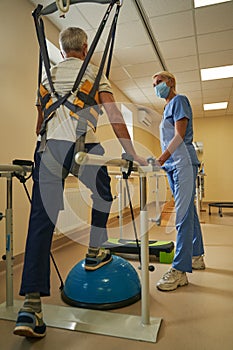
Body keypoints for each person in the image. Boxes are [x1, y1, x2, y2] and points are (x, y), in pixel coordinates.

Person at [13, 27, 146, 338]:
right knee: (103, 193)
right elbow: (113, 114)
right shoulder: (93, 72)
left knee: (40, 222)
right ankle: (94, 250)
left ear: (62, 51)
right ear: (85, 48)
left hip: (47, 149)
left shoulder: (45, 78)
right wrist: (131, 153)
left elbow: (39, 124)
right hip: (81, 146)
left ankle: (30, 307)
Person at [152, 71, 205, 292]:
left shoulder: (179, 100)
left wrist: (161, 158)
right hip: (172, 165)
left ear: (171, 82)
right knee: (189, 212)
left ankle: (179, 270)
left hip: (182, 161)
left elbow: (179, 135)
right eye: (154, 84)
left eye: (159, 82)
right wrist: (164, 161)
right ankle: (196, 256)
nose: (156, 87)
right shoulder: (165, 109)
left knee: (182, 214)